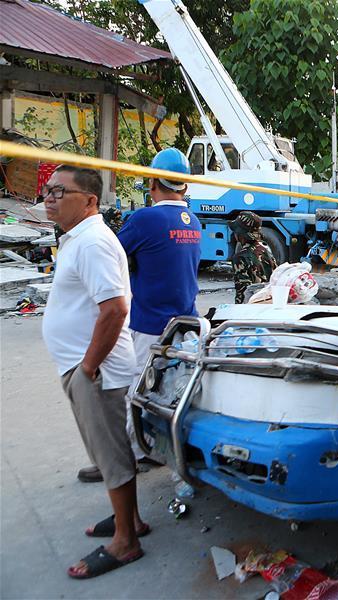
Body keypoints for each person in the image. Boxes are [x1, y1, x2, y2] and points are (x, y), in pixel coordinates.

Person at [41, 165, 146, 578]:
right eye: (48, 190)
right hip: (84, 366)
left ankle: (126, 541)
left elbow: (115, 309)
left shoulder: (93, 242)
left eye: (59, 192)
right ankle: (129, 519)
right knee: (107, 451)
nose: (49, 198)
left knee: (111, 455)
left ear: (89, 201)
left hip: (96, 370)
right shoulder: (77, 238)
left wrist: (87, 367)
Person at [113, 147, 201, 468]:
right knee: (172, 387)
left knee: (138, 388)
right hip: (186, 322)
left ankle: (136, 453)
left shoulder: (144, 219)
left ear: (152, 182)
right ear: (184, 185)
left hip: (150, 323)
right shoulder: (193, 221)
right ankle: (164, 446)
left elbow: (112, 253)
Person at [230, 211, 277, 303]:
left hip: (252, 304)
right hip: (268, 300)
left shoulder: (239, 258)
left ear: (240, 234)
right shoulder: (266, 250)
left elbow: (242, 291)